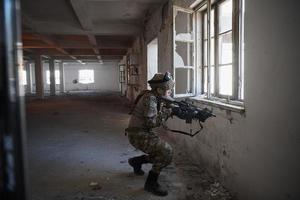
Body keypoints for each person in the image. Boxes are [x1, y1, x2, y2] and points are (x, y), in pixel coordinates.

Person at [125, 72, 174, 196]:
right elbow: (151, 122)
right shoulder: (150, 98)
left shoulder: (154, 96)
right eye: (168, 89)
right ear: (159, 89)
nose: (170, 91)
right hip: (137, 134)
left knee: (164, 154)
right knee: (166, 152)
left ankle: (137, 161)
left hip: (142, 132)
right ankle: (151, 184)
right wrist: (167, 112)